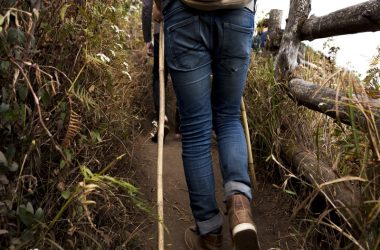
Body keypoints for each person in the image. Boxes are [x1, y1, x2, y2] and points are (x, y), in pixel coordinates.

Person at [156, 0, 260, 249]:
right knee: (228, 116)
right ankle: (239, 207)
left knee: (195, 129)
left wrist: (160, 8)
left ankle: (210, 232)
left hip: (183, 14)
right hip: (238, 12)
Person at [141, 0, 181, 142]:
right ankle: (181, 127)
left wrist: (147, 39)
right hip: (185, 27)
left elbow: (147, 6)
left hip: (162, 28)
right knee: (182, 75)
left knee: (159, 75)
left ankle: (161, 118)